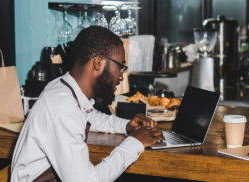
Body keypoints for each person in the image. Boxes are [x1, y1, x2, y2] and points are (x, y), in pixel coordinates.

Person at [11, 26, 164, 182]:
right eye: (120, 67)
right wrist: (135, 143)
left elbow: (89, 115)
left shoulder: (62, 87)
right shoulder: (63, 108)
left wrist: (125, 127)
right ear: (98, 62)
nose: (121, 76)